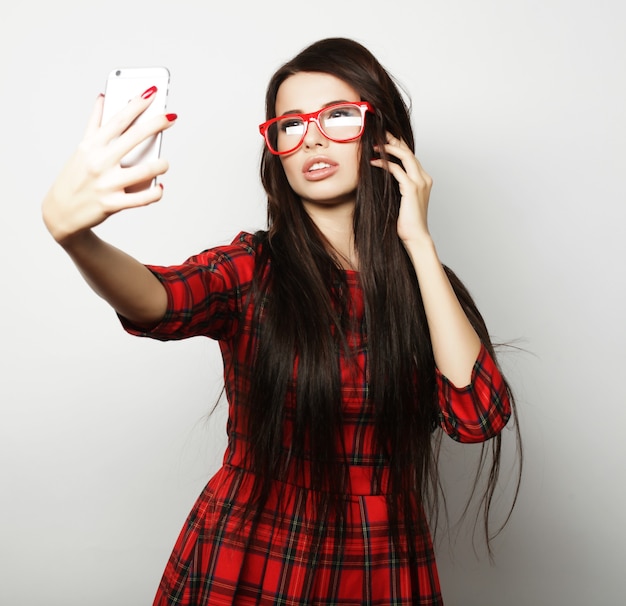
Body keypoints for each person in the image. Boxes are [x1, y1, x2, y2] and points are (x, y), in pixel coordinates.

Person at [42, 37, 520, 605]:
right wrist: (77, 238)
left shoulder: (425, 288)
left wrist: (417, 240)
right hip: (252, 557)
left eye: (338, 116)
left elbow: (478, 416)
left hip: (381, 565)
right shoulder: (252, 267)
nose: (312, 136)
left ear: (384, 137)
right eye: (290, 125)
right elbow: (159, 301)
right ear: (278, 151)